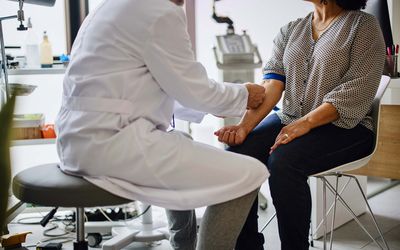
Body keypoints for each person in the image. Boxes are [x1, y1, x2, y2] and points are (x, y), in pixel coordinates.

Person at [55, 0, 270, 249]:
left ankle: (184, 245)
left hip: (77, 142)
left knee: (182, 141)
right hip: (111, 144)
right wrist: (244, 95)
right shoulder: (160, 12)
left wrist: (216, 106)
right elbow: (195, 90)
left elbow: (157, 87)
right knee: (249, 174)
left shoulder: (111, 6)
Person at [215, 0, 386, 249]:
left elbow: (356, 89)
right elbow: (272, 86)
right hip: (291, 117)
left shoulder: (363, 26)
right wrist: (244, 126)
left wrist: (306, 123)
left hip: (347, 126)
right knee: (238, 155)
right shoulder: (291, 30)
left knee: (283, 162)